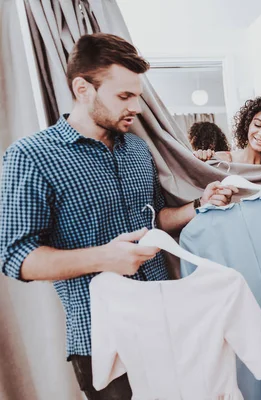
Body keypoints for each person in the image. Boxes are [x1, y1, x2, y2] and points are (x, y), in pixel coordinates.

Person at [0, 33, 237, 400]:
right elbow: (16, 257)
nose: (137, 107)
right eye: (124, 96)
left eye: (137, 95)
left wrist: (199, 205)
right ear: (83, 88)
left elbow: (154, 220)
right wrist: (104, 258)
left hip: (165, 322)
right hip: (102, 341)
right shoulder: (30, 156)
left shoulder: (138, 150)